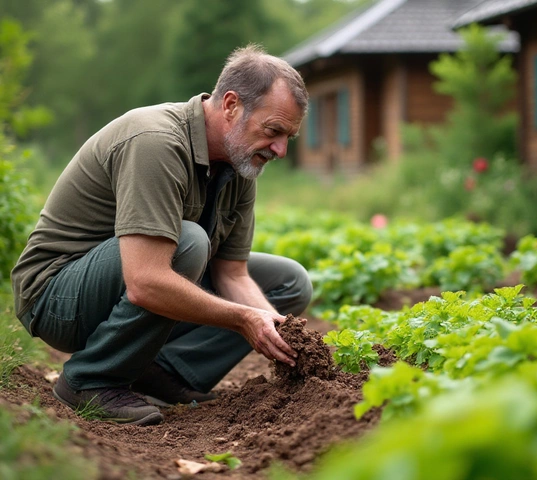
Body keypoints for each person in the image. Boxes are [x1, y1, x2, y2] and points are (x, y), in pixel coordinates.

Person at [10, 44, 312, 426]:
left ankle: (164, 373)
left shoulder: (240, 164)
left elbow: (232, 274)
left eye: (289, 137)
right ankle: (90, 379)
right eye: (274, 131)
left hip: (126, 285)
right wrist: (242, 320)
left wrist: (277, 331)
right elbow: (145, 281)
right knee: (188, 242)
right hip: (56, 298)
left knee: (289, 283)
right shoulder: (156, 142)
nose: (281, 150)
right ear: (231, 105)